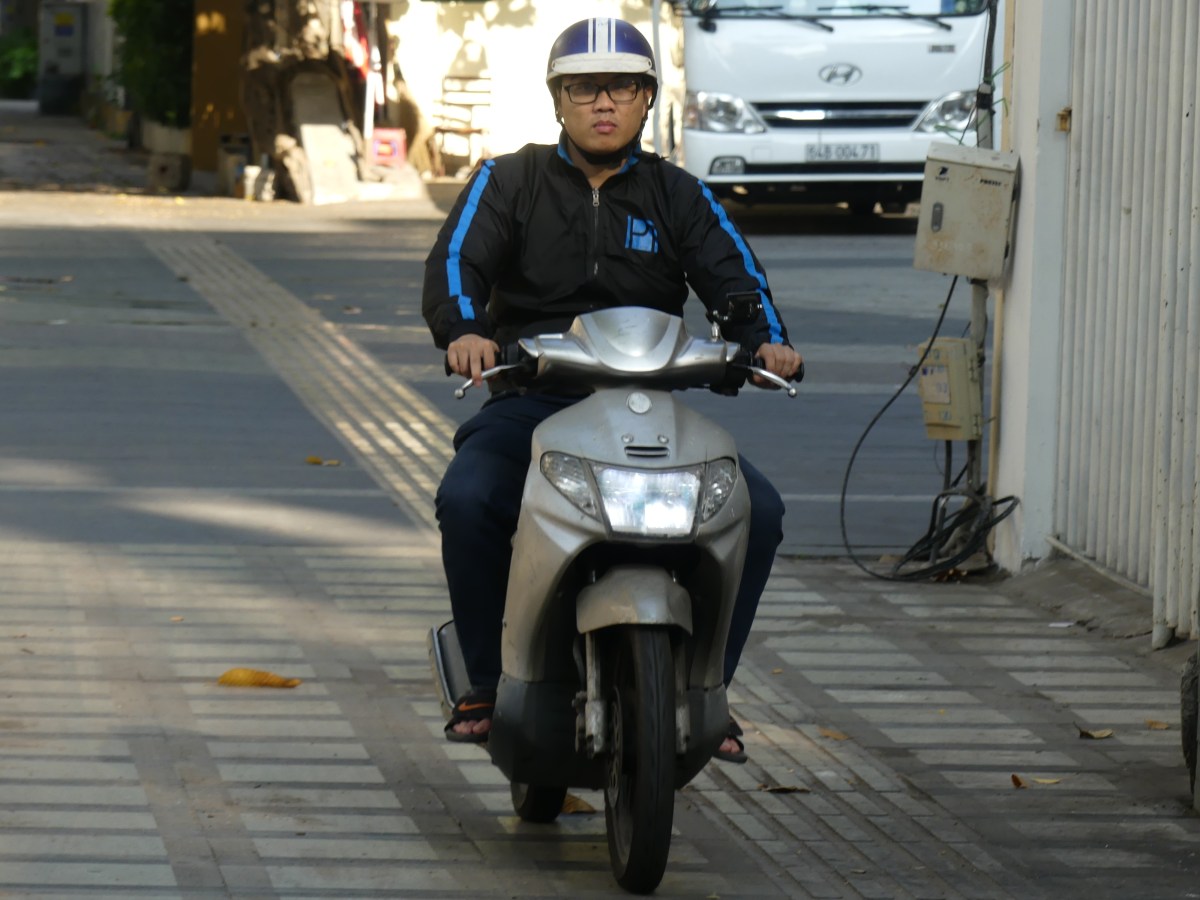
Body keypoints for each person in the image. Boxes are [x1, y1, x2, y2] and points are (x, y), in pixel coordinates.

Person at [422, 17, 803, 763]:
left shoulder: (678, 194)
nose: (604, 102)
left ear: (646, 99)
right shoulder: (508, 180)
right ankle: (487, 683)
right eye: (584, 88)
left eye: (623, 87)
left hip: (647, 405)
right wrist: (465, 330)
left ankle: (707, 689)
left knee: (757, 511)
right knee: (468, 497)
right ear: (557, 99)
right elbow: (458, 260)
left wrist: (765, 341)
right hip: (533, 401)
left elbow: (734, 276)